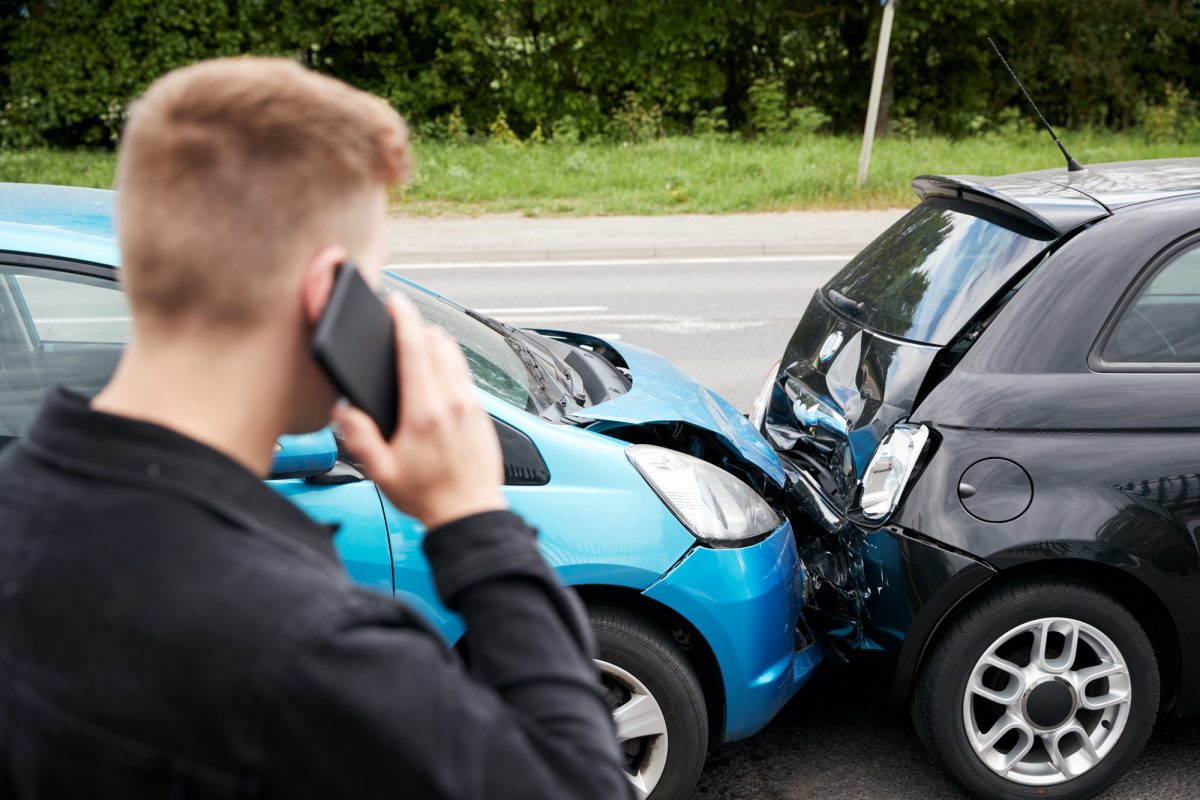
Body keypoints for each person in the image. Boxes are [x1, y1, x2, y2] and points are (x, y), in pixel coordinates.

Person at [0, 58, 632, 799]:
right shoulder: (307, 646)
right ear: (324, 293)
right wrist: (472, 518)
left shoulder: (24, 505)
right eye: (372, 279)